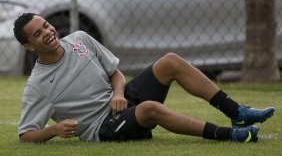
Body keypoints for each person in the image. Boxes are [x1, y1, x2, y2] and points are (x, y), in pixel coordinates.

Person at [14, 13, 275, 143]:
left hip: (119, 101)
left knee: (169, 61)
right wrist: (54, 130)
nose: (47, 32)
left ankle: (236, 111)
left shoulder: (80, 39)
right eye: (37, 34)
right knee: (150, 109)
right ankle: (231, 135)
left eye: (46, 25)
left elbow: (115, 73)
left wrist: (117, 93)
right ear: (29, 46)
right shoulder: (37, 85)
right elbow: (26, 135)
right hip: (103, 127)